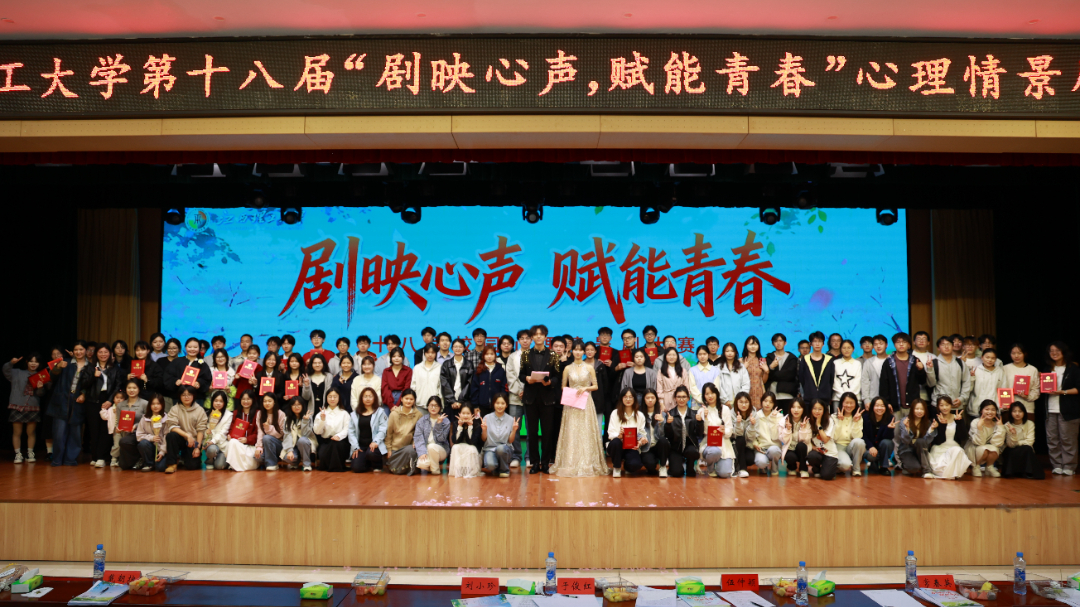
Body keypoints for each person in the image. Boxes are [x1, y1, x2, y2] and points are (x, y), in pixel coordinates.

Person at [551, 339, 609, 477]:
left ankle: (588, 462)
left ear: (583, 352)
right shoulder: (567, 368)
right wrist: (571, 392)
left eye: (580, 350)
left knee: (586, 431)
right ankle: (570, 462)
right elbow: (563, 386)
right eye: (575, 350)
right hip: (571, 403)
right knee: (571, 431)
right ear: (572, 351)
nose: (578, 352)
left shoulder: (589, 368)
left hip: (586, 402)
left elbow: (596, 386)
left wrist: (585, 388)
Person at [520, 325, 562, 474]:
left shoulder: (553, 355)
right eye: (535, 334)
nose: (538, 336)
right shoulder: (525, 354)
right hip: (530, 398)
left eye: (541, 334)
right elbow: (521, 374)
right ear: (532, 337)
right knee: (531, 433)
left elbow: (557, 376)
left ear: (545, 337)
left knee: (547, 432)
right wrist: (527, 378)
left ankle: (545, 463)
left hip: (548, 399)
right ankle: (534, 463)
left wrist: (550, 382)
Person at [1044, 342, 1078, 476]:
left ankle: (1069, 466)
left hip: (1068, 410)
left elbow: (1078, 388)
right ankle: (1057, 465)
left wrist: (1062, 392)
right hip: (1050, 410)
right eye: (1051, 351)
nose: (1054, 353)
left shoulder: (1072, 368)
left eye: (1057, 350)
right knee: (1052, 439)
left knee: (1068, 439)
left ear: (1064, 352)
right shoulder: (1047, 369)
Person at [5, 354, 47, 464]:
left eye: (36, 362)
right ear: (27, 362)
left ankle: (30, 453)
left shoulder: (41, 375)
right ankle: (18, 454)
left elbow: (41, 394)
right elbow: (5, 370)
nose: (33, 364)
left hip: (32, 406)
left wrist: (40, 388)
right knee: (17, 432)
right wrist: (11, 363)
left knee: (31, 432)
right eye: (31, 361)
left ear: (39, 364)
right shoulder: (17, 372)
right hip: (17, 405)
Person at [879, 332, 927, 421]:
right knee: (895, 429)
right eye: (898, 342)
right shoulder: (888, 362)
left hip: (912, 405)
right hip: (894, 406)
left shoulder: (915, 361)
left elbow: (922, 381)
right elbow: (883, 385)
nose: (901, 344)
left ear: (908, 345)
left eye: (904, 342)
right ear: (894, 345)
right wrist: (886, 403)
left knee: (911, 429)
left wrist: (921, 370)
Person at [88, 343, 121, 467]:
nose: (103, 354)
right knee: (94, 429)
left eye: (106, 352)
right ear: (96, 354)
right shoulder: (90, 367)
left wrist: (110, 400)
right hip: (93, 401)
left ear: (110, 354)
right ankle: (94, 456)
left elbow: (118, 386)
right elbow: (84, 385)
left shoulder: (114, 368)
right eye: (100, 352)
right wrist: (93, 377)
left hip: (108, 400)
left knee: (106, 430)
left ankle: (101, 457)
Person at [163, 385, 208, 474]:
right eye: (183, 395)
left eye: (189, 394)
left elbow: (201, 430)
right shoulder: (175, 409)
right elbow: (172, 426)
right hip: (180, 438)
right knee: (171, 435)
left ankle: (185, 457)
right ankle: (172, 464)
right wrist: (187, 435)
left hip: (193, 441)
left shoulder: (199, 410)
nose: (186, 397)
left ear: (193, 395)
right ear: (179, 396)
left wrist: (197, 448)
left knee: (192, 466)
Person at [503, 329, 531, 469]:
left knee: (531, 428)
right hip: (515, 398)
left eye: (527, 338)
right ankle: (516, 456)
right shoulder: (512, 357)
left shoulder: (536, 355)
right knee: (515, 428)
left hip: (532, 397)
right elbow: (510, 376)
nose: (525, 340)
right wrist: (520, 391)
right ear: (518, 341)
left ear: (531, 340)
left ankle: (530, 457)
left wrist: (527, 392)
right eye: (522, 338)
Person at [927, 396, 972, 480]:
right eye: (941, 405)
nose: (944, 408)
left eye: (947, 405)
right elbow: (938, 441)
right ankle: (948, 474)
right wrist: (942, 425)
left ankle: (948, 474)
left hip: (954, 447)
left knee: (957, 451)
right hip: (939, 448)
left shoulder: (957, 417)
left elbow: (963, 437)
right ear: (938, 407)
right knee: (942, 469)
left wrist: (959, 422)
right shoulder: (935, 419)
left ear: (951, 405)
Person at [607, 388, 648, 477]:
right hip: (618, 446)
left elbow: (642, 433)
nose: (628, 399)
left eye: (630, 397)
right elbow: (611, 433)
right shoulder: (615, 413)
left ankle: (627, 466)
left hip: (631, 447)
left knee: (636, 465)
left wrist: (641, 442)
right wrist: (619, 435)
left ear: (634, 399)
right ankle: (616, 467)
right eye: (625, 397)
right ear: (621, 398)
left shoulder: (640, 415)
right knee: (616, 442)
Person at [698, 385, 736, 478]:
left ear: (717, 394)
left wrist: (724, 431)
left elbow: (730, 430)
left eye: (712, 393)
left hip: (724, 444)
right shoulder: (701, 411)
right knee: (714, 452)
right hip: (709, 445)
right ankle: (710, 467)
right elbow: (704, 432)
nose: (710, 396)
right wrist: (705, 418)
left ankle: (719, 465)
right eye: (707, 394)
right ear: (704, 396)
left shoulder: (725, 409)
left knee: (724, 474)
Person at [664, 385, 702, 477]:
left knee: (692, 455)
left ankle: (690, 466)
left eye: (684, 397)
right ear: (675, 398)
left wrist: (700, 422)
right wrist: (668, 424)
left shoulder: (694, 414)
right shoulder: (670, 414)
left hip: (690, 446)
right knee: (676, 472)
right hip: (675, 447)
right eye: (679, 397)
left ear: (688, 398)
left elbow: (699, 434)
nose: (681, 399)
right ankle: (677, 464)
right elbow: (668, 436)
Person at [926, 335, 971, 414]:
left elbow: (966, 382)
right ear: (938, 348)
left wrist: (962, 398)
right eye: (943, 344)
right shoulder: (934, 363)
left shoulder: (960, 363)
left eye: (949, 344)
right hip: (939, 404)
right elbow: (931, 384)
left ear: (953, 346)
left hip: (956, 403)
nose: (946, 347)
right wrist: (929, 369)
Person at [349, 387, 388, 473]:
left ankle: (377, 464)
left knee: (371, 453)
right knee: (356, 468)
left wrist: (375, 442)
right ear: (361, 398)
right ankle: (367, 463)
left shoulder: (380, 412)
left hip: (374, 445)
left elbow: (383, 429)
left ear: (374, 398)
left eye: (370, 396)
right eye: (365, 396)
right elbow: (351, 432)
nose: (368, 399)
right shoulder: (355, 414)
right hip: (361, 446)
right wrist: (355, 447)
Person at [163, 338, 212, 407]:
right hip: (179, 397)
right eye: (189, 347)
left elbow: (207, 380)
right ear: (185, 347)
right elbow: (168, 376)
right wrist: (175, 381)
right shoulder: (177, 361)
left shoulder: (203, 364)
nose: (192, 349)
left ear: (199, 348)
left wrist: (199, 383)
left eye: (195, 347)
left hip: (197, 398)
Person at [1000, 403, 1044, 479]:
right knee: (1016, 450)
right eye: (1014, 411)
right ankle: (1011, 472)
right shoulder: (1007, 425)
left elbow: (1030, 442)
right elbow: (1010, 445)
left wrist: (1018, 443)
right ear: (1010, 413)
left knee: (1027, 448)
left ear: (1024, 412)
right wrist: (1013, 434)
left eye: (1020, 411)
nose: (1017, 414)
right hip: (1011, 449)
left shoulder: (1030, 423)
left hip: (1025, 448)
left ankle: (1029, 472)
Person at [384, 389, 422, 475]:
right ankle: (408, 468)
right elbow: (389, 433)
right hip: (395, 449)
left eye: (411, 399)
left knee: (411, 450)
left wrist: (415, 442)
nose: (408, 401)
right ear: (401, 399)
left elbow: (418, 433)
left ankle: (409, 467)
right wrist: (389, 449)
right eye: (406, 398)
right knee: (395, 469)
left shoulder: (418, 415)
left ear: (414, 401)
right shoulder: (394, 414)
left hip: (409, 448)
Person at [481, 392, 519, 477]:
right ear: (493, 404)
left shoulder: (510, 419)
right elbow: (483, 439)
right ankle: (497, 467)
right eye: (497, 403)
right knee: (490, 465)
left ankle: (504, 470)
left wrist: (514, 430)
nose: (500, 406)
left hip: (505, 449)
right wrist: (484, 430)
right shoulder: (487, 418)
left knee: (500, 449)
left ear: (506, 405)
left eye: (502, 403)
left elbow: (510, 441)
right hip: (490, 449)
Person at [965, 399, 1005, 477]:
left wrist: (1000, 427)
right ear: (981, 411)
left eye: (993, 410)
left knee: (995, 449)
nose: (990, 412)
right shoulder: (975, 422)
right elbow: (979, 442)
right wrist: (979, 427)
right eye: (987, 409)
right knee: (984, 450)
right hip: (975, 447)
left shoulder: (997, 424)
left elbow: (997, 443)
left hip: (988, 447)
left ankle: (989, 467)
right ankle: (976, 467)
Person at [314, 388, 350, 471]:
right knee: (324, 452)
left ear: (339, 398)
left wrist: (338, 436)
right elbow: (317, 432)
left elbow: (347, 429)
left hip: (340, 442)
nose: (332, 399)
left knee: (336, 445)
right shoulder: (321, 414)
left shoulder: (344, 413)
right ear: (326, 398)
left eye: (335, 396)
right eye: (330, 396)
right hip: (326, 442)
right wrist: (322, 420)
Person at [896, 398, 935, 478]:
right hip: (907, 449)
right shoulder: (905, 421)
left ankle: (926, 471)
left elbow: (927, 441)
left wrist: (932, 429)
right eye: (917, 409)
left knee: (920, 441)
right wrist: (907, 429)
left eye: (922, 409)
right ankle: (904, 466)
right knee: (915, 468)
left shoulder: (927, 422)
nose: (919, 411)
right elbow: (906, 441)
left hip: (921, 450)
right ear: (912, 409)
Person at [224, 389, 261, 472]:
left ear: (253, 400)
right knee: (232, 442)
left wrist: (247, 439)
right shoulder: (236, 413)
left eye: (248, 399)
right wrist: (229, 435)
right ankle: (235, 466)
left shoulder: (258, 413)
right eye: (243, 399)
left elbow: (258, 433)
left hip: (251, 446)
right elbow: (231, 429)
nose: (245, 401)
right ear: (240, 400)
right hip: (238, 444)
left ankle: (237, 466)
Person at [413, 395, 451, 475]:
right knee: (421, 464)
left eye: (436, 406)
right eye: (431, 405)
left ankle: (435, 470)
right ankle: (433, 465)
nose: (433, 408)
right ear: (428, 406)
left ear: (440, 407)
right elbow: (418, 437)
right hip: (426, 449)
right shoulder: (422, 421)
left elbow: (442, 439)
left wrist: (438, 424)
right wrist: (422, 452)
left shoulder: (445, 421)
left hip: (441, 449)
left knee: (432, 447)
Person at [1002, 344, 1040, 420]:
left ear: (1024, 354)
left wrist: (1027, 397)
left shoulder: (1032, 370)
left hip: (1027, 408)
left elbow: (1036, 390)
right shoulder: (1004, 369)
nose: (1016, 356)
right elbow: (1000, 388)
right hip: (1009, 408)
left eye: (1019, 353)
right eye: (1013, 353)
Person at [751, 392, 785, 476]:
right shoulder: (756, 415)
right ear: (761, 401)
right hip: (761, 448)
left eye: (771, 402)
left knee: (774, 451)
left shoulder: (779, 416)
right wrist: (755, 444)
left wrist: (773, 419)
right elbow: (752, 433)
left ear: (774, 404)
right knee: (761, 462)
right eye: (765, 401)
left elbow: (775, 437)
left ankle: (774, 467)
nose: (767, 404)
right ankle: (763, 467)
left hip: (774, 446)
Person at [832, 392, 865, 476]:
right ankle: (837, 467)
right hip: (838, 447)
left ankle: (856, 469)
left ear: (856, 404)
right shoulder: (834, 417)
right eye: (846, 403)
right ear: (842, 403)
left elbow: (857, 437)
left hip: (851, 446)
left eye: (851, 403)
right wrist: (840, 421)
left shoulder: (858, 417)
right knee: (845, 465)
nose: (849, 405)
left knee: (860, 442)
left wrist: (855, 422)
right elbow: (834, 438)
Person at [469, 346, 507, 419]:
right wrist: (475, 405)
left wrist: (502, 403)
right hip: (481, 406)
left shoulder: (500, 370)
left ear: (495, 355)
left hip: (497, 406)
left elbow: (504, 388)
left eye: (491, 354)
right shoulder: (478, 370)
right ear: (483, 356)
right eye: (487, 354)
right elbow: (474, 389)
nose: (489, 356)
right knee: (483, 425)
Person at [448, 403, 485, 478]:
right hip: (461, 448)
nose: (465, 416)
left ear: (472, 414)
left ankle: (470, 472)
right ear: (459, 414)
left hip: (473, 449)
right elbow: (455, 441)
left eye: (468, 413)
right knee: (455, 447)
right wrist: (460, 426)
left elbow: (472, 442)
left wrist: (470, 426)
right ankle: (458, 471)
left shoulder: (477, 424)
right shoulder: (456, 423)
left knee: (471, 448)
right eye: (463, 413)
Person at [439, 339, 472, 421]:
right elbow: (444, 383)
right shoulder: (446, 364)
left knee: (464, 424)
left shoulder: (469, 364)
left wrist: (460, 401)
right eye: (455, 347)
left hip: (464, 402)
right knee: (449, 424)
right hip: (450, 402)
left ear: (464, 348)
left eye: (460, 347)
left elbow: (469, 383)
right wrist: (452, 401)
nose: (458, 349)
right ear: (452, 348)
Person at [805, 398, 839, 480]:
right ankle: (816, 469)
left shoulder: (830, 420)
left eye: (820, 409)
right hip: (817, 452)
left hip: (830, 452)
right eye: (814, 408)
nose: (817, 411)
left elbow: (825, 440)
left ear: (824, 410)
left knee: (827, 476)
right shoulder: (808, 421)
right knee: (812, 456)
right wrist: (813, 447)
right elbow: (806, 439)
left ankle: (829, 468)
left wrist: (819, 425)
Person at [862, 396, 896, 475]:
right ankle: (874, 463)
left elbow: (888, 438)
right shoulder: (866, 418)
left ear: (886, 407)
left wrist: (889, 429)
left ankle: (884, 467)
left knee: (887, 442)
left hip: (882, 447)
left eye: (882, 406)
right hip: (869, 448)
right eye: (877, 405)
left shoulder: (890, 418)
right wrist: (871, 446)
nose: (879, 408)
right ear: (872, 407)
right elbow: (864, 435)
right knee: (871, 456)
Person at [640, 388, 670, 477]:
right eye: (647, 398)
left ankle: (663, 466)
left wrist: (661, 422)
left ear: (656, 399)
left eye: (652, 398)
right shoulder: (639, 414)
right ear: (644, 399)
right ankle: (653, 463)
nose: (650, 400)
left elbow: (663, 435)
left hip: (658, 446)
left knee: (663, 440)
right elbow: (638, 431)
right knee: (650, 466)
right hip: (646, 447)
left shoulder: (662, 414)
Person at [281, 396, 317, 471]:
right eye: (294, 405)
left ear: (302, 405)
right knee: (287, 457)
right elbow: (287, 435)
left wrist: (305, 421)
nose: (296, 407)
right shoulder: (287, 419)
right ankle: (295, 462)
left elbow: (305, 435)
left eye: (299, 404)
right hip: (293, 445)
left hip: (305, 443)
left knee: (302, 440)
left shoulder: (308, 417)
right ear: (290, 406)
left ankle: (306, 464)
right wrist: (290, 450)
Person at [134, 395, 168, 472]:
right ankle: (149, 463)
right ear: (149, 405)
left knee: (160, 468)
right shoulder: (144, 418)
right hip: (151, 446)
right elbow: (139, 435)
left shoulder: (166, 419)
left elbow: (167, 437)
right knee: (143, 444)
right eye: (153, 404)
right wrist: (151, 438)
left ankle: (163, 461)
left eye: (158, 404)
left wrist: (162, 452)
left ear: (162, 404)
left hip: (163, 448)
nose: (155, 406)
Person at [766, 333, 799, 414]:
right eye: (776, 341)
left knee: (788, 418)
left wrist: (773, 372)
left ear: (785, 343)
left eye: (780, 341)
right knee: (774, 418)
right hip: (773, 394)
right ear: (772, 343)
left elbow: (791, 375)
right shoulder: (769, 357)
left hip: (788, 394)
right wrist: (771, 367)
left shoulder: (792, 358)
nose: (778, 343)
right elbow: (767, 375)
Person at [798, 333, 834, 404]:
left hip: (825, 397)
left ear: (823, 344)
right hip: (809, 397)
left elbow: (831, 379)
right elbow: (802, 378)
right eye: (815, 341)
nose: (817, 344)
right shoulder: (805, 359)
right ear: (810, 344)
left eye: (820, 341)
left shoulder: (829, 359)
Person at [256, 392, 287, 471]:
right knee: (257, 458)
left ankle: (272, 464)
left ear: (274, 402)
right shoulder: (260, 413)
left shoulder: (281, 414)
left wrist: (269, 428)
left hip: (279, 444)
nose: (267, 403)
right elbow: (260, 431)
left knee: (267, 438)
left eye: (269, 401)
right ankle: (272, 457)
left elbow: (281, 434)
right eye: (265, 401)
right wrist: (259, 447)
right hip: (266, 445)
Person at [657, 347, 695, 411]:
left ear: (677, 357)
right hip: (666, 400)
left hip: (680, 400)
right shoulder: (661, 371)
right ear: (665, 357)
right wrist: (661, 403)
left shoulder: (683, 370)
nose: (671, 357)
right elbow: (659, 388)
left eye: (674, 355)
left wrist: (684, 399)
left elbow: (687, 387)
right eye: (669, 355)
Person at [968, 349, 1005, 417]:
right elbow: (969, 389)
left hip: (994, 408)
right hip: (977, 407)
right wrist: (971, 378)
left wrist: (1003, 405)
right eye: (987, 357)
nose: (990, 360)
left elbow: (1004, 389)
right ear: (982, 357)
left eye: (993, 358)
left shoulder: (1000, 371)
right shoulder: (975, 370)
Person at [203, 390, 233, 470]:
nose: (218, 403)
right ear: (212, 401)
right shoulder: (207, 414)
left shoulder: (229, 415)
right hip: (210, 444)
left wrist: (213, 441)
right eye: (216, 401)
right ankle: (210, 460)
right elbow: (203, 431)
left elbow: (223, 432)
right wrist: (207, 433)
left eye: (221, 401)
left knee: (219, 466)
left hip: (222, 445)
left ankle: (220, 459)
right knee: (212, 449)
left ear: (225, 403)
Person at [831, 340, 862, 414]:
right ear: (840, 349)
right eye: (844, 348)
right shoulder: (835, 363)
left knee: (855, 419)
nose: (846, 350)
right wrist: (843, 396)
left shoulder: (857, 363)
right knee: (837, 419)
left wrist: (850, 397)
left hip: (855, 398)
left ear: (853, 349)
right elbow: (834, 381)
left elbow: (858, 381)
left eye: (849, 348)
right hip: (838, 398)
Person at [729, 391, 755, 477]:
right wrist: (738, 423)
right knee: (740, 439)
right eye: (741, 402)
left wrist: (752, 426)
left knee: (750, 459)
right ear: (736, 403)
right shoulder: (731, 414)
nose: (744, 405)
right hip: (735, 444)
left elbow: (751, 438)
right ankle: (742, 469)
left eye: (746, 402)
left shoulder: (754, 414)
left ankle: (738, 465)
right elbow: (735, 435)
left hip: (748, 444)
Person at [783, 398, 811, 477]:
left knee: (801, 446)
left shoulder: (807, 421)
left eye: (799, 407)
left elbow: (806, 440)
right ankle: (791, 468)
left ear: (803, 409)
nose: (796, 410)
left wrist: (803, 429)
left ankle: (803, 469)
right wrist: (788, 430)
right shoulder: (784, 420)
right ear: (790, 409)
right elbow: (783, 440)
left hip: (801, 450)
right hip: (790, 448)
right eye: (793, 407)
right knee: (790, 456)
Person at [717, 343, 751, 409]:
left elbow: (746, 384)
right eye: (727, 351)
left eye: (732, 351)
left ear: (735, 352)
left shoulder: (741, 367)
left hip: (740, 402)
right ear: (724, 353)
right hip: (724, 403)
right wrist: (725, 400)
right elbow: (718, 386)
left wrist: (740, 399)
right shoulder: (718, 368)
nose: (730, 353)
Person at [860, 334, 890, 408]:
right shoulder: (869, 362)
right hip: (873, 399)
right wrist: (866, 400)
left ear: (886, 345)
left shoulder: (892, 360)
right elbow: (865, 382)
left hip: (890, 400)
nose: (878, 346)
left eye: (881, 344)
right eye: (875, 344)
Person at [410, 344, 443, 411]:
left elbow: (441, 387)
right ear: (424, 353)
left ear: (436, 353)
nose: (430, 355)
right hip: (419, 404)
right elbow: (413, 386)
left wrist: (440, 403)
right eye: (427, 352)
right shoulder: (417, 368)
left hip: (435, 405)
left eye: (432, 353)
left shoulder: (440, 367)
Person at [742, 336, 770, 409]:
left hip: (759, 392)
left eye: (755, 344)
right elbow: (738, 380)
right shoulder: (741, 361)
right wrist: (743, 368)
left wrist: (766, 371)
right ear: (746, 346)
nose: (753, 347)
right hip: (746, 391)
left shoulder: (762, 361)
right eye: (750, 344)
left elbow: (763, 381)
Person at [302, 354, 331, 418]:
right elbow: (306, 397)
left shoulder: (329, 376)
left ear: (323, 364)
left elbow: (329, 394)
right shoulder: (307, 377)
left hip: (326, 409)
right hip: (311, 409)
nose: (317, 365)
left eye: (319, 363)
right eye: (315, 363)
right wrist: (306, 385)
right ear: (311, 364)